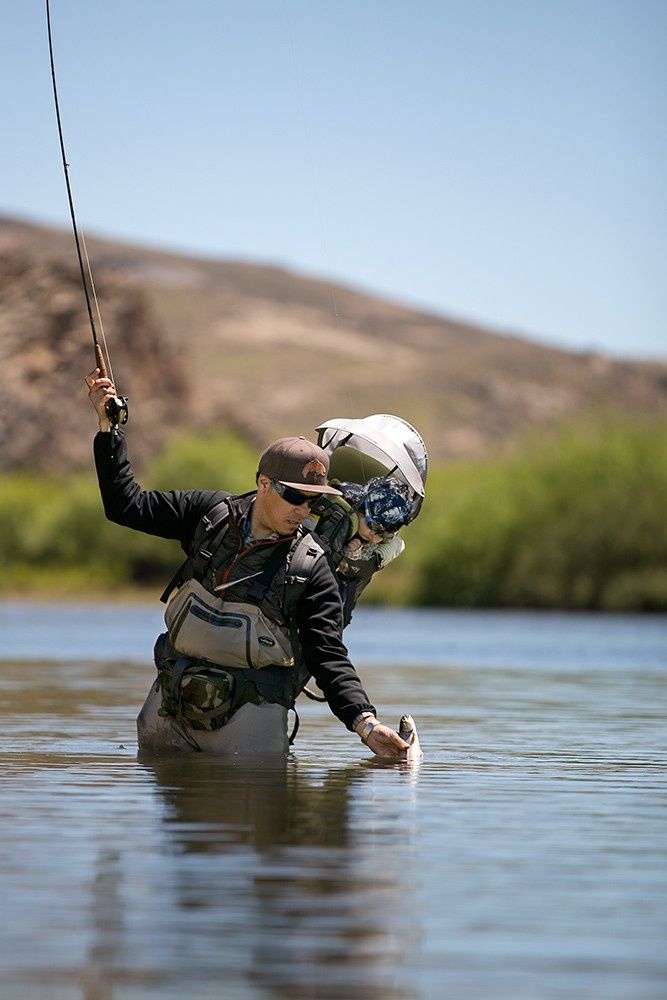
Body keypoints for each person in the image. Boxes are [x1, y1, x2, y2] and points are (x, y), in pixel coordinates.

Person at [86, 368, 410, 758]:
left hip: (249, 724)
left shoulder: (312, 567)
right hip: (167, 709)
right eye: (294, 496)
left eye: (312, 500)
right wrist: (109, 429)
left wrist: (366, 724)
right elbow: (125, 505)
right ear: (264, 483)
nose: (303, 510)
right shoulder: (210, 515)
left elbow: (328, 655)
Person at [310, 476, 414, 626]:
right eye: (374, 528)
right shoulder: (340, 511)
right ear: (360, 509)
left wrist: (356, 551)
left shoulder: (373, 539)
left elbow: (395, 545)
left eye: (385, 535)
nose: (375, 538)